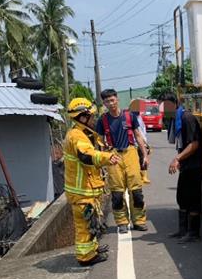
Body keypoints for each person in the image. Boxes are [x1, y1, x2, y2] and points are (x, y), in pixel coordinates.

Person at [63, 98, 120, 266]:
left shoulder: (85, 133)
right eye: (91, 116)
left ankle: (92, 249)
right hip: (81, 193)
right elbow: (86, 156)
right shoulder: (76, 136)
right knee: (84, 226)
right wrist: (107, 157)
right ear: (82, 117)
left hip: (86, 190)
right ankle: (85, 257)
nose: (93, 119)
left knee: (91, 223)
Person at [95, 88, 150, 233]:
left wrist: (145, 155)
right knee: (117, 194)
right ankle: (122, 222)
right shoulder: (102, 120)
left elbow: (138, 136)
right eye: (107, 101)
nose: (111, 103)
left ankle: (139, 221)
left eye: (112, 100)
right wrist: (101, 162)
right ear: (104, 103)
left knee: (136, 191)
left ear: (117, 99)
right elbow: (99, 142)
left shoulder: (129, 116)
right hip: (113, 156)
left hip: (130, 153)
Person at [168, 98, 202, 242]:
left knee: (193, 199)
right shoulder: (176, 119)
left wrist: (177, 158)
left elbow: (194, 144)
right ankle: (182, 230)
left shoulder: (187, 118)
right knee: (182, 197)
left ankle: (193, 233)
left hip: (194, 165)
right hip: (186, 165)